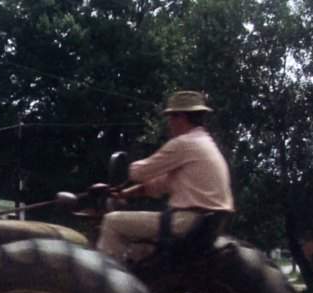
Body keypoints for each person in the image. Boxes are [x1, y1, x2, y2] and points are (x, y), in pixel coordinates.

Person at [97, 90, 235, 265]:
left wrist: (127, 167)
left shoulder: (184, 143)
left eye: (171, 117)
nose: (169, 123)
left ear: (182, 117)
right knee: (140, 249)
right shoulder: (205, 145)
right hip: (205, 224)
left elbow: (138, 173)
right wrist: (124, 194)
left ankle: (106, 289)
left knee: (112, 222)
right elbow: (160, 184)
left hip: (185, 222)